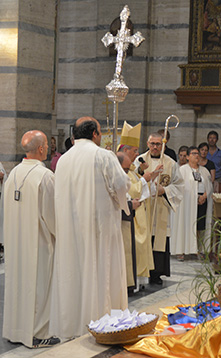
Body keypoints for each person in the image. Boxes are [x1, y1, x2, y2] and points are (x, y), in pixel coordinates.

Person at [50, 116, 131, 339]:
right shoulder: (103, 155)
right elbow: (121, 184)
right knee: (101, 269)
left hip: (70, 226)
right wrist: (122, 198)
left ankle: (74, 324)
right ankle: (100, 324)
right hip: (99, 228)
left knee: (74, 271)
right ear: (95, 134)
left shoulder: (64, 160)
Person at [3, 130, 60, 348]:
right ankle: (37, 333)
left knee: (17, 286)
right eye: (46, 144)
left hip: (16, 242)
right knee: (38, 288)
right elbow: (53, 215)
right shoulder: (45, 177)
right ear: (41, 148)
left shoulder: (13, 173)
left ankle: (14, 329)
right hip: (39, 243)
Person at [134, 132, 184, 285]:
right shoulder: (139, 160)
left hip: (161, 206)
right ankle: (142, 271)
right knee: (144, 237)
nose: (155, 147)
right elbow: (131, 179)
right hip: (143, 207)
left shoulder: (170, 163)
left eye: (158, 144)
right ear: (148, 144)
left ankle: (156, 273)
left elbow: (179, 185)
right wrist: (142, 172)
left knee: (158, 238)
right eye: (152, 143)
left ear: (163, 145)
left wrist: (165, 191)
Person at [118, 122, 161, 291]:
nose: (137, 154)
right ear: (126, 150)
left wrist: (144, 175)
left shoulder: (130, 168)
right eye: (135, 150)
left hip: (137, 214)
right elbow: (131, 190)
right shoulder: (120, 169)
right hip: (130, 215)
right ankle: (131, 282)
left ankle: (138, 281)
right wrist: (145, 179)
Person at [171, 146, 213, 261]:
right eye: (194, 153)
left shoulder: (204, 170)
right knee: (186, 224)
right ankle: (182, 250)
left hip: (202, 201)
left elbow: (209, 185)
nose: (197, 155)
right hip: (187, 203)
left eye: (197, 153)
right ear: (188, 157)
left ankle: (198, 249)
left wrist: (204, 195)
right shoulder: (182, 170)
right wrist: (194, 197)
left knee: (200, 226)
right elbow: (179, 187)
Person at [117, 152, 141, 294]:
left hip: (125, 221)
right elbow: (113, 203)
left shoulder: (122, 177)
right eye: (125, 169)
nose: (127, 173)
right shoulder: (112, 178)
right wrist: (130, 205)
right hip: (117, 225)